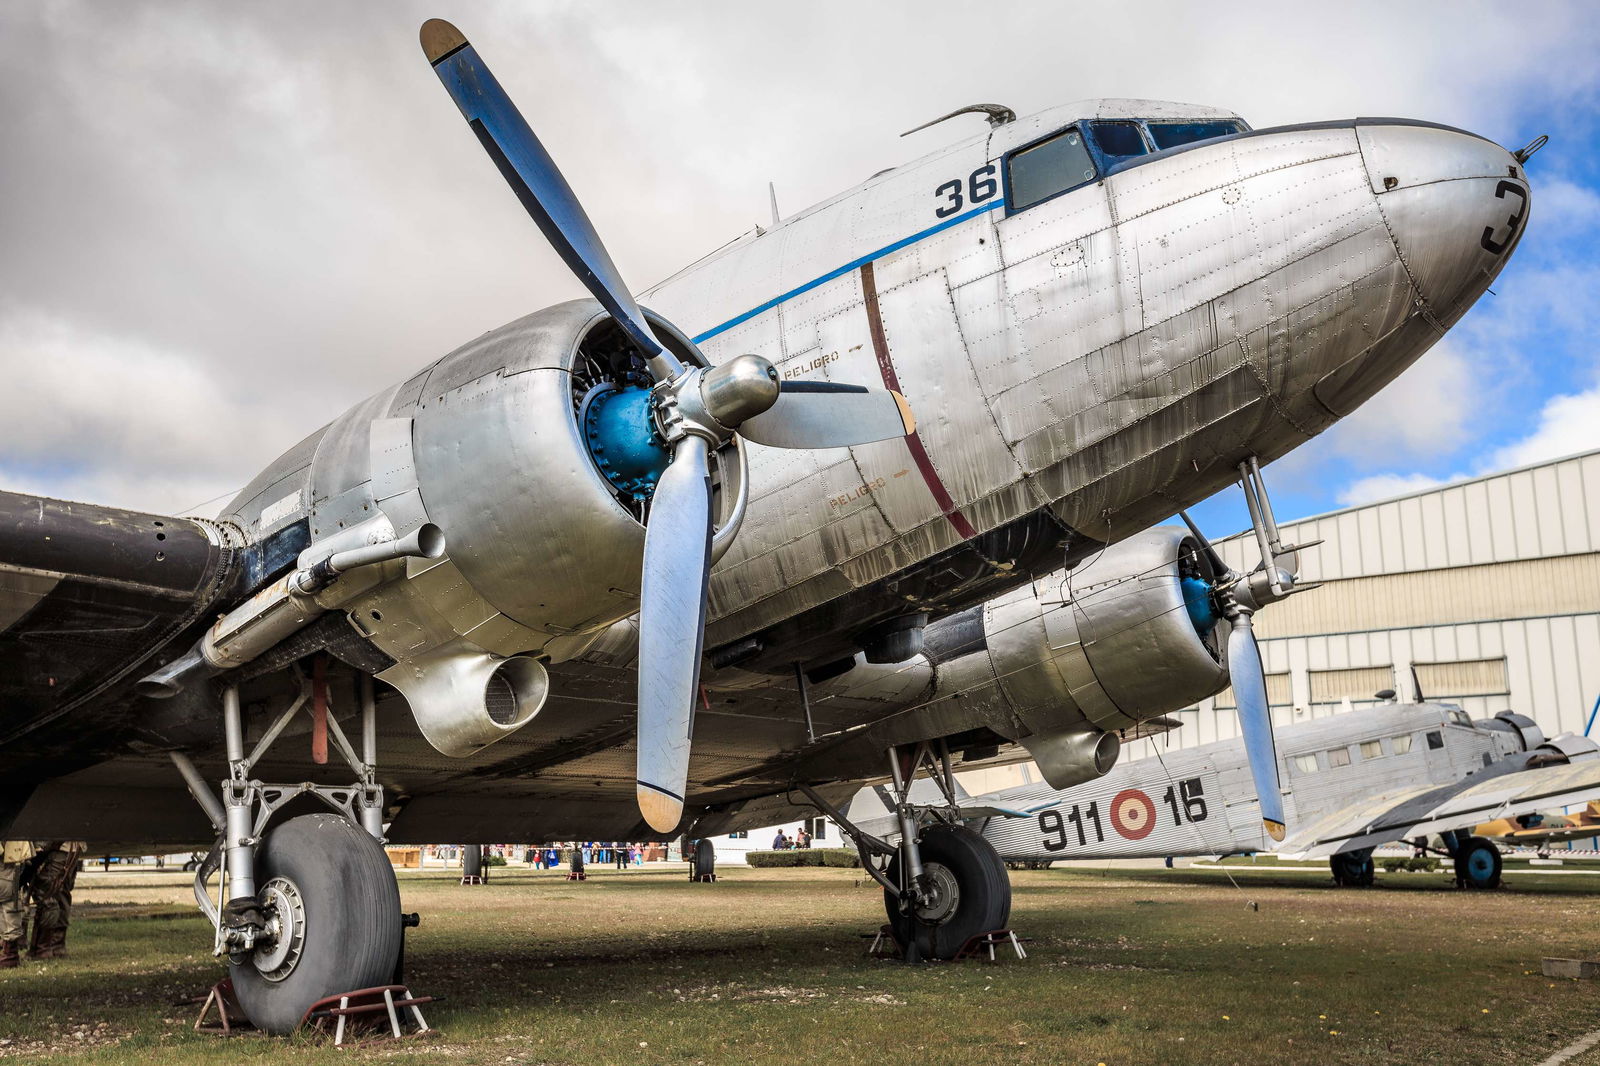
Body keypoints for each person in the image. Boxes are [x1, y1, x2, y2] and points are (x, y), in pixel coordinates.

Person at [26, 840, 84, 960]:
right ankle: (56, 947)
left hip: (58, 846)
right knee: (61, 895)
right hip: (69, 847)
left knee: (47, 896)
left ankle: (42, 949)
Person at [0, 841, 35, 968]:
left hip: (10, 849)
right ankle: (9, 951)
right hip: (11, 849)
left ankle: (10, 954)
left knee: (6, 897)